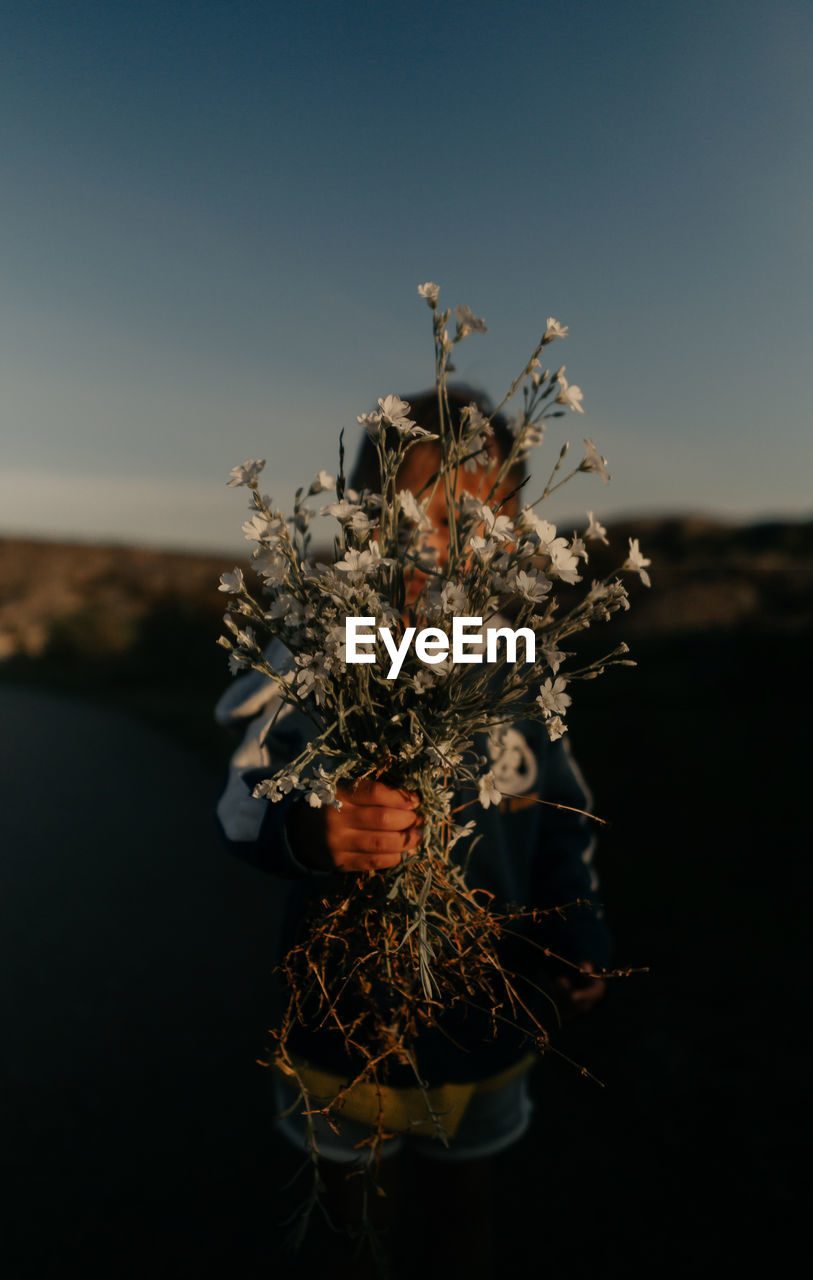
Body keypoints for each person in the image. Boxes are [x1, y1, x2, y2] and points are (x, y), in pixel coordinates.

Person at [215, 389, 610, 1277]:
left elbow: (557, 820)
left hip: (486, 1026)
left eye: (480, 515)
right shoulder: (327, 648)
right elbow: (242, 800)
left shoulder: (509, 658)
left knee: (462, 1205)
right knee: (349, 1215)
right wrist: (313, 833)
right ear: (361, 520)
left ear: (513, 529)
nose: (447, 540)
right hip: (341, 1026)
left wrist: (574, 928)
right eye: (421, 513)